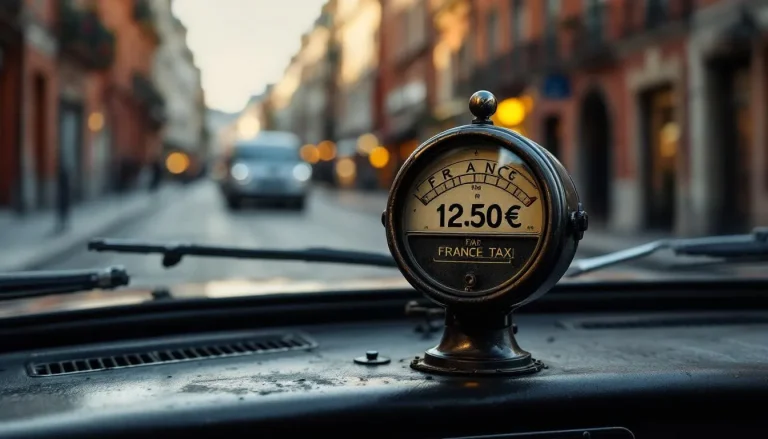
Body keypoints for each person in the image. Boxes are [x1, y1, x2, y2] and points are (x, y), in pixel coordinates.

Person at [55, 167, 71, 234]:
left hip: (63, 198)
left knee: (63, 212)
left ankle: (63, 225)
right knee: (64, 212)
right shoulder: (66, 180)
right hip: (64, 198)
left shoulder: (62, 179)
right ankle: (63, 225)